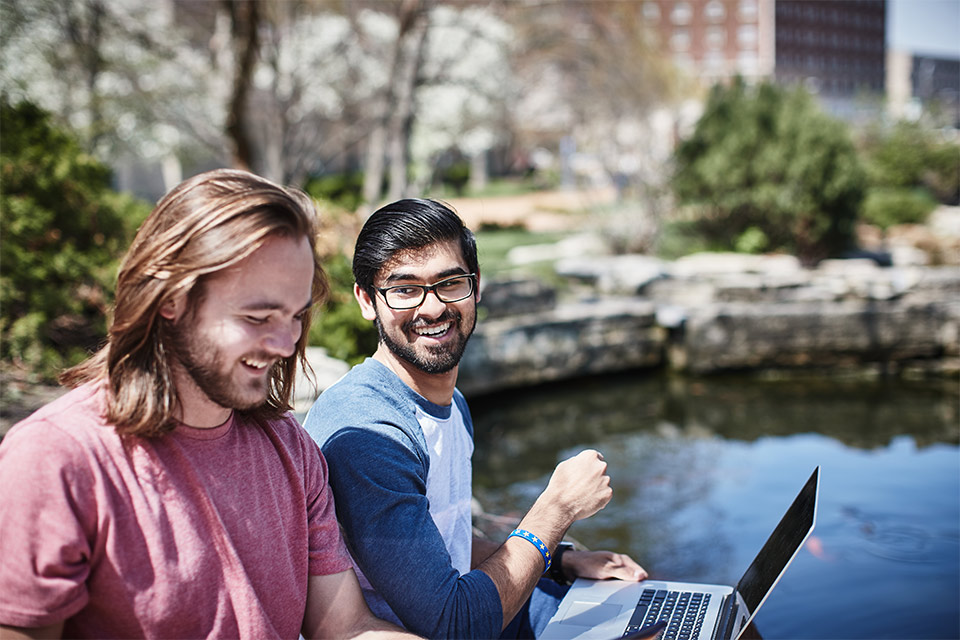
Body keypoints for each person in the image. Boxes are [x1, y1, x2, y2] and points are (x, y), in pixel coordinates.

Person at [0, 169, 417, 639]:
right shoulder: (55, 458)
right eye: (257, 316)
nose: (285, 343)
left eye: (296, 315)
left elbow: (346, 629)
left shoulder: (292, 450)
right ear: (171, 300)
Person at [303, 198, 647, 639]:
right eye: (404, 289)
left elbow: (447, 544)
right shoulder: (369, 434)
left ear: (476, 286)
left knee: (681, 612)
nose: (431, 308)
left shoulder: (451, 403)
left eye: (449, 283)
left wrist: (560, 561)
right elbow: (455, 625)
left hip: (490, 609)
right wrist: (555, 510)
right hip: (447, 627)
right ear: (367, 301)